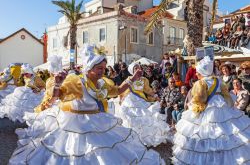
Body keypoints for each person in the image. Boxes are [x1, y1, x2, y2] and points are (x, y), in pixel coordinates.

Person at [9, 45, 164, 164]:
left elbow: (117, 91)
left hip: (97, 123)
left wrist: (133, 78)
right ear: (89, 68)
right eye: (99, 68)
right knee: (75, 156)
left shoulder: (103, 83)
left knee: (102, 154)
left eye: (103, 68)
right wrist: (57, 84)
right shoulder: (76, 81)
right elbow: (56, 97)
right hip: (74, 125)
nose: (102, 71)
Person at [172, 56, 250, 164]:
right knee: (223, 131)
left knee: (206, 133)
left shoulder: (200, 83)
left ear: (201, 72)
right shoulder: (218, 80)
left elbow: (199, 98)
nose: (196, 74)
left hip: (207, 108)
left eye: (198, 72)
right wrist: (230, 106)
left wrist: (193, 106)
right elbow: (226, 95)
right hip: (221, 106)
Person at [114, 62, 170, 147]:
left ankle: (145, 138)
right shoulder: (129, 79)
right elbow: (122, 89)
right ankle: (132, 138)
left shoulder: (144, 80)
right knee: (131, 119)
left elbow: (148, 90)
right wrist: (121, 99)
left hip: (141, 100)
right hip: (130, 101)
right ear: (132, 70)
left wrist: (155, 96)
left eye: (138, 67)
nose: (137, 69)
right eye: (135, 68)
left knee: (145, 118)